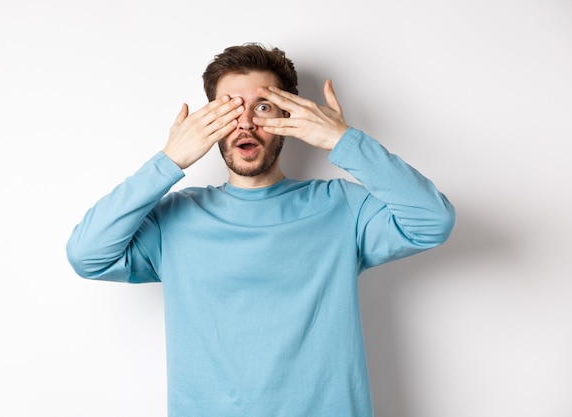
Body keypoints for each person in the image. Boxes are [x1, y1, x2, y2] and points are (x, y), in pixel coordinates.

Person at [66, 42, 455, 417]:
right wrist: (169, 160)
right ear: (211, 123)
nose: (247, 122)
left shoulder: (342, 207)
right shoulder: (176, 219)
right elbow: (87, 255)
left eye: (263, 107)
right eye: (231, 109)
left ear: (288, 118)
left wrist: (343, 140)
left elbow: (432, 221)